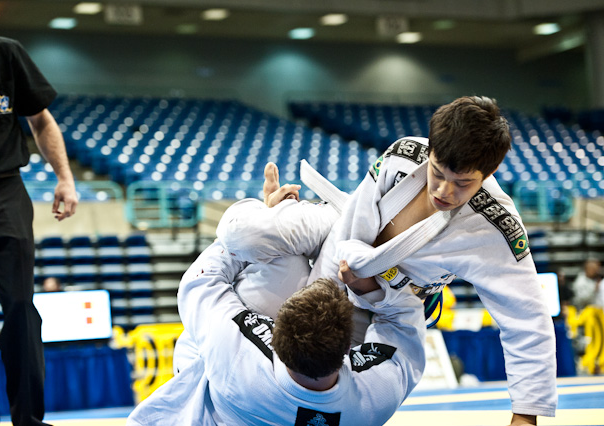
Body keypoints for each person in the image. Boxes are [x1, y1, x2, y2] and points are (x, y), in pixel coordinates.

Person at [218, 96, 557, 425]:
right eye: (437, 173)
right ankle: (273, 210)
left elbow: (527, 319)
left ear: (490, 171)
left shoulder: (495, 229)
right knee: (244, 234)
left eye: (463, 183)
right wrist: (278, 224)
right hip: (334, 240)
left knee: (313, 381)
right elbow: (352, 222)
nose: (443, 192)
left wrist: (525, 415)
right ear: (431, 150)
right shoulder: (404, 154)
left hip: (385, 304)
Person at [128, 239, 426, 426]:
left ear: (274, 336)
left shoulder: (236, 357)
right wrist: (371, 288)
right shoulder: (373, 399)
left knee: (284, 260)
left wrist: (247, 239)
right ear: (347, 349)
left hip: (210, 393)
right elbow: (405, 331)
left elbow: (198, 282)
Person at [0, 2, 78, 425]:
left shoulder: (6, 54)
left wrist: (64, 178)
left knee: (20, 308)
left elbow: (42, 121)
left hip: (7, 192)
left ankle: (29, 418)